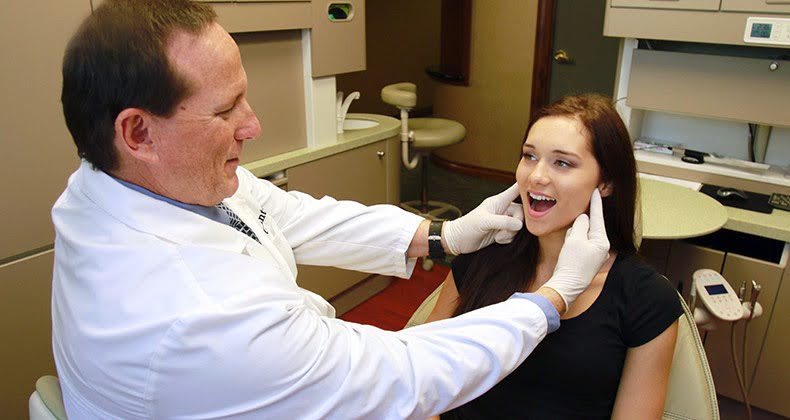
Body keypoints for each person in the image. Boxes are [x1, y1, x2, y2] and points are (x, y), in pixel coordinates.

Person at [52, 1, 609, 418]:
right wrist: (551, 298)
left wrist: (445, 237)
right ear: (138, 132)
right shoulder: (198, 317)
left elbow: (289, 215)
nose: (253, 125)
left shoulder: (121, 181)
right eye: (225, 110)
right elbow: (405, 375)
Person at [426, 94, 683, 419]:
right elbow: (423, 375)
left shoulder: (646, 298)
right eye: (529, 156)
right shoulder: (484, 254)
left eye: (562, 162)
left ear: (605, 182)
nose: (535, 176)